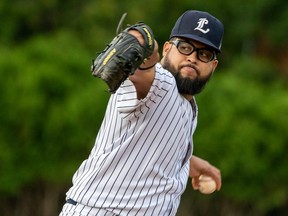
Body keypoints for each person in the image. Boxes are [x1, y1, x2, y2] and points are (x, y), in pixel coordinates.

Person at [59, 9, 224, 216]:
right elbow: (145, 72)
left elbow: (152, 148)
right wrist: (143, 42)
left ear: (213, 65)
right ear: (167, 48)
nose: (192, 57)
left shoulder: (188, 105)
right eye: (184, 47)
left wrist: (189, 162)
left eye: (204, 54)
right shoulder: (161, 83)